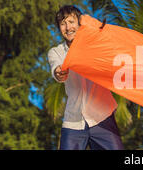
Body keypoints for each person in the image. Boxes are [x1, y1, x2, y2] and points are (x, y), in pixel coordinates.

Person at [47, 5, 124, 150]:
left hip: (103, 118)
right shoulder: (56, 52)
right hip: (73, 123)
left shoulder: (95, 45)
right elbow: (56, 69)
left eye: (71, 22)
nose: (68, 27)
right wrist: (58, 72)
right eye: (63, 24)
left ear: (79, 24)